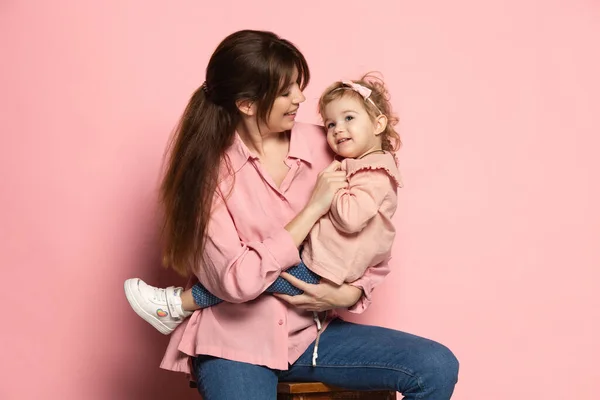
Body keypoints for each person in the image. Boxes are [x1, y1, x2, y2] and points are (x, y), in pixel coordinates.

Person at [130, 29, 458, 399]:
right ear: (247, 104)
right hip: (233, 345)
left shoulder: (330, 141)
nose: (300, 97)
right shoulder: (208, 173)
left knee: (436, 365)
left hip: (310, 337)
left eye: (298, 86)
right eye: (286, 91)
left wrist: (349, 294)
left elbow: (371, 235)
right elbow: (234, 281)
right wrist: (315, 207)